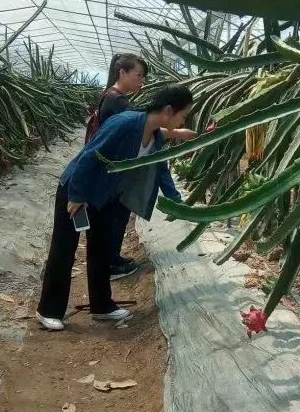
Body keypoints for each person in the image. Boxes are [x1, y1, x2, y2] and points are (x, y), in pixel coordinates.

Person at [35, 84, 195, 331]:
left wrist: (177, 203)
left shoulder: (155, 136)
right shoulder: (125, 123)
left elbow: (160, 168)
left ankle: (102, 306)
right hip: (78, 189)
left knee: (101, 249)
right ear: (168, 110)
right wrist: (77, 195)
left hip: (104, 195)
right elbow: (89, 155)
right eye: (183, 114)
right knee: (64, 248)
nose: (183, 120)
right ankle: (48, 310)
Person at [94, 54, 196, 280]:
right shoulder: (118, 103)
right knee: (113, 217)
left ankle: (112, 258)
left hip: (116, 172)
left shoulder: (116, 99)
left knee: (118, 216)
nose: (142, 81)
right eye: (139, 75)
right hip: (109, 174)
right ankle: (108, 264)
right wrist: (177, 133)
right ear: (122, 73)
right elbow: (141, 127)